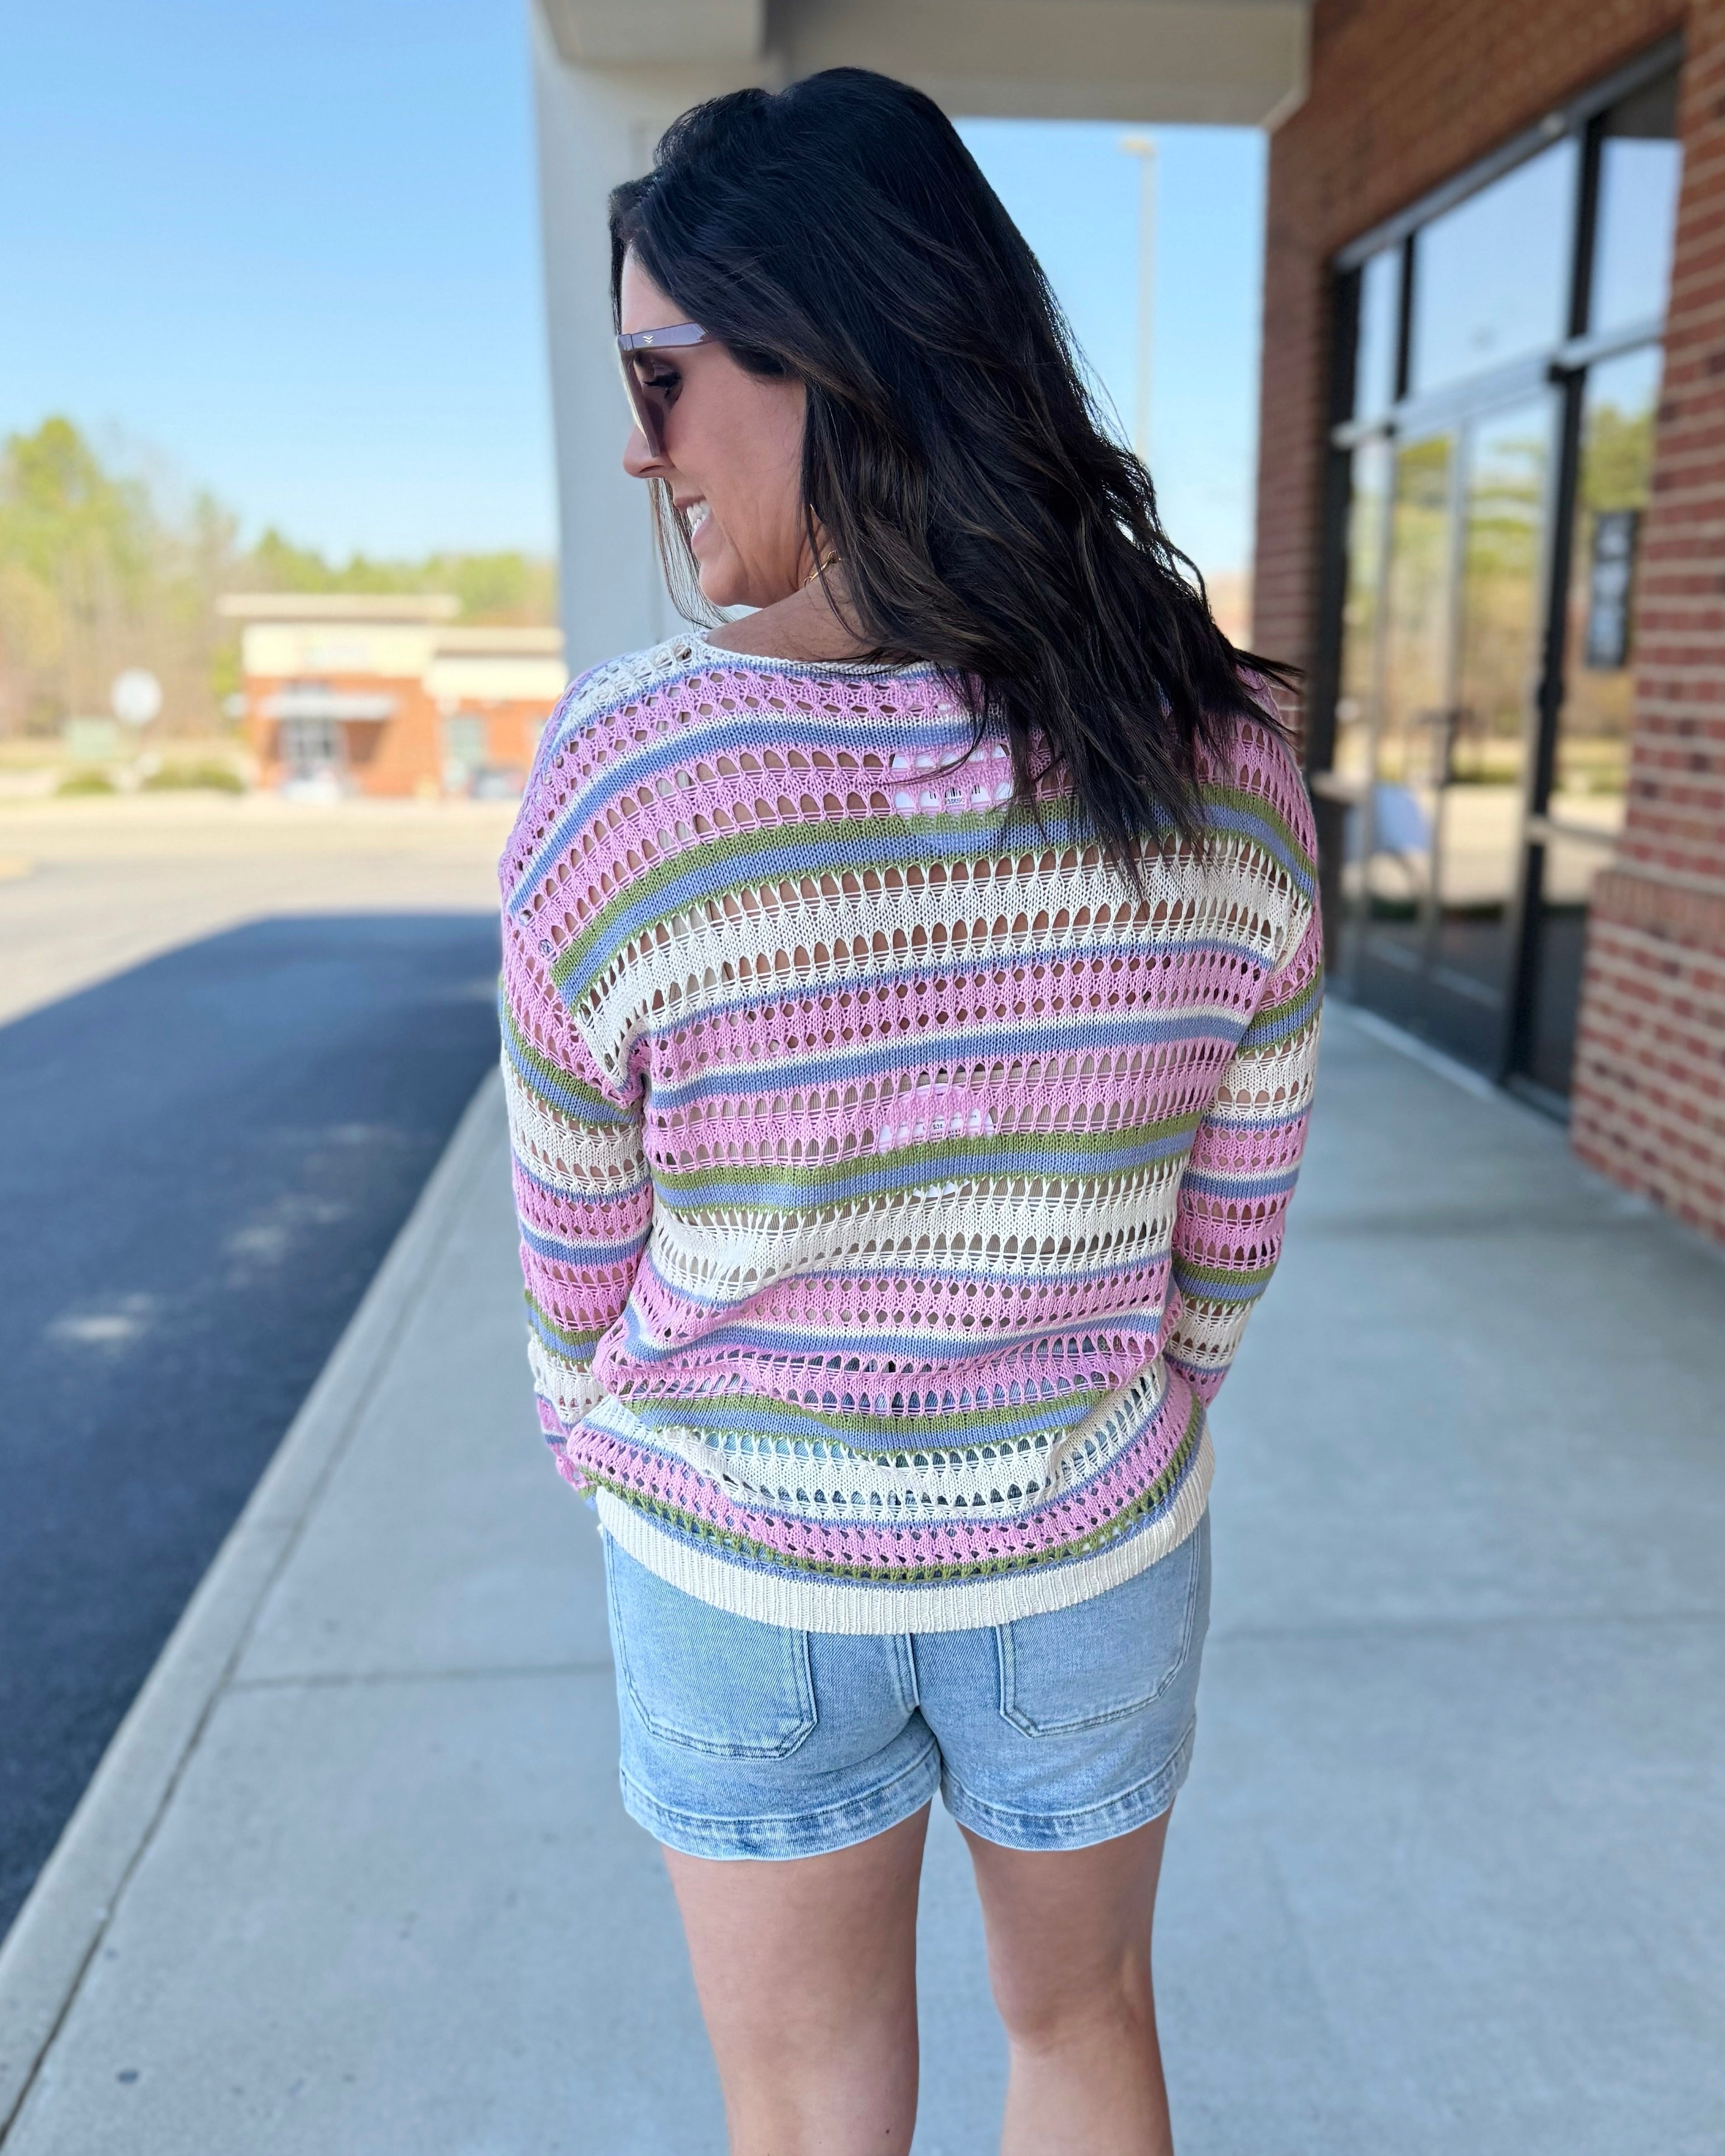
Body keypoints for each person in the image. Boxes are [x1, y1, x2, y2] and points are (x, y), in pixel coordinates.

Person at [498, 67, 1320, 2156]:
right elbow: (1234, 1217)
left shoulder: (628, 778)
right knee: (1084, 2028)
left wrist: (608, 1440)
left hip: (739, 1555)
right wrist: (1114, 1413)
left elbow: (573, 1250)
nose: (639, 439)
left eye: (664, 378)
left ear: (826, 350)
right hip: (1084, 1538)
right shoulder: (1209, 748)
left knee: (804, 2115)